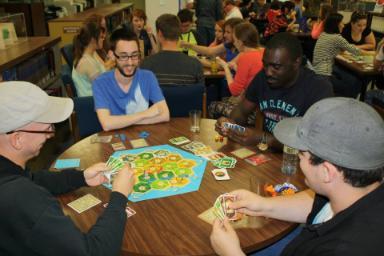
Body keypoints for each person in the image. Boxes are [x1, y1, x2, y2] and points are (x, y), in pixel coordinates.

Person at [210, 97, 384, 256]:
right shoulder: (355, 189)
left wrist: (231, 253)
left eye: (301, 156)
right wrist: (262, 204)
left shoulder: (345, 249)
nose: (298, 160)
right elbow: (318, 205)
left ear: (327, 172)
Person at [0, 81, 135, 256]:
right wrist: (119, 196)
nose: (50, 135)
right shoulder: (23, 199)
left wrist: (82, 177)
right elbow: (94, 252)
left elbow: (32, 179)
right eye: (47, 128)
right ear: (17, 139)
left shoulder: (9, 173)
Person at [215, 32, 333, 147]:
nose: (268, 72)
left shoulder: (319, 88)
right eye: (265, 65)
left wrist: (264, 138)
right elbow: (241, 111)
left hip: (298, 160)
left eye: (276, 67)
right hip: (269, 154)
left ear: (296, 63)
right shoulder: (262, 77)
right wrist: (230, 124)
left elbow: (313, 141)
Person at [92, 27, 170, 131]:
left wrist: (122, 122)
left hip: (143, 139)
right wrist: (146, 114)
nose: (130, 63)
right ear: (112, 55)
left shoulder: (148, 77)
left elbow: (165, 115)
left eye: (134, 55)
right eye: (123, 56)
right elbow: (107, 124)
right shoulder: (100, 83)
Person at [208, 22, 264, 119]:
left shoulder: (245, 57)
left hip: (250, 112)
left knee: (212, 106)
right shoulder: (263, 51)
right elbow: (252, 77)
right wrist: (236, 68)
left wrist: (225, 67)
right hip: (263, 108)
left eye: (235, 40)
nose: (233, 43)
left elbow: (235, 91)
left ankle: (225, 133)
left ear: (241, 42)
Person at [141, 14, 204, 86]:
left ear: (159, 33)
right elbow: (201, 95)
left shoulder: (146, 65)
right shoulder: (196, 65)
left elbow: (142, 94)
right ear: (179, 32)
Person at [313, 13, 363, 98]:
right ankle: (349, 102)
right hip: (325, 75)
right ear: (336, 25)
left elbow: (335, 50)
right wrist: (373, 53)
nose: (343, 25)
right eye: (342, 23)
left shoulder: (323, 34)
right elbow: (356, 51)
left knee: (349, 79)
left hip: (316, 73)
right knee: (353, 86)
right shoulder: (337, 38)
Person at [72, 22, 107, 97]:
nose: (103, 39)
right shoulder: (87, 63)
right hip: (93, 103)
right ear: (93, 40)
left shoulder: (92, 54)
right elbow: (103, 89)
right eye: (101, 37)